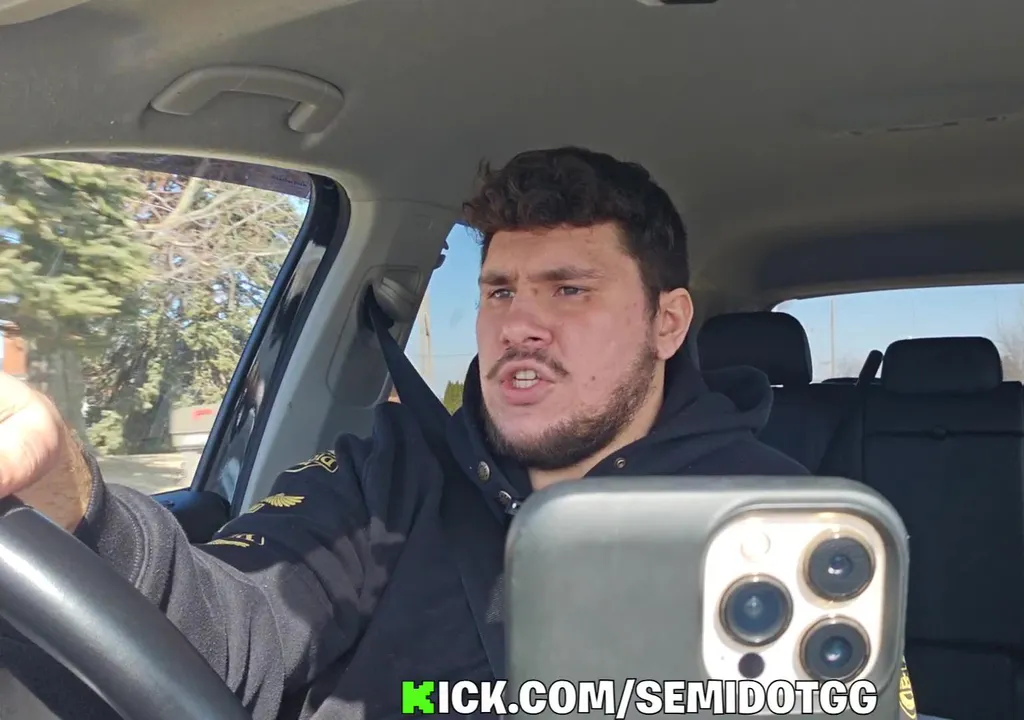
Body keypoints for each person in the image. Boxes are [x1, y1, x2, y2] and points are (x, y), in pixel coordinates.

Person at [0, 146, 922, 720]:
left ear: (668, 323)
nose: (520, 325)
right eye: (499, 291)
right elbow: (230, 627)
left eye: (570, 290)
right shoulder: (380, 480)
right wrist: (66, 492)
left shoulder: (771, 517)